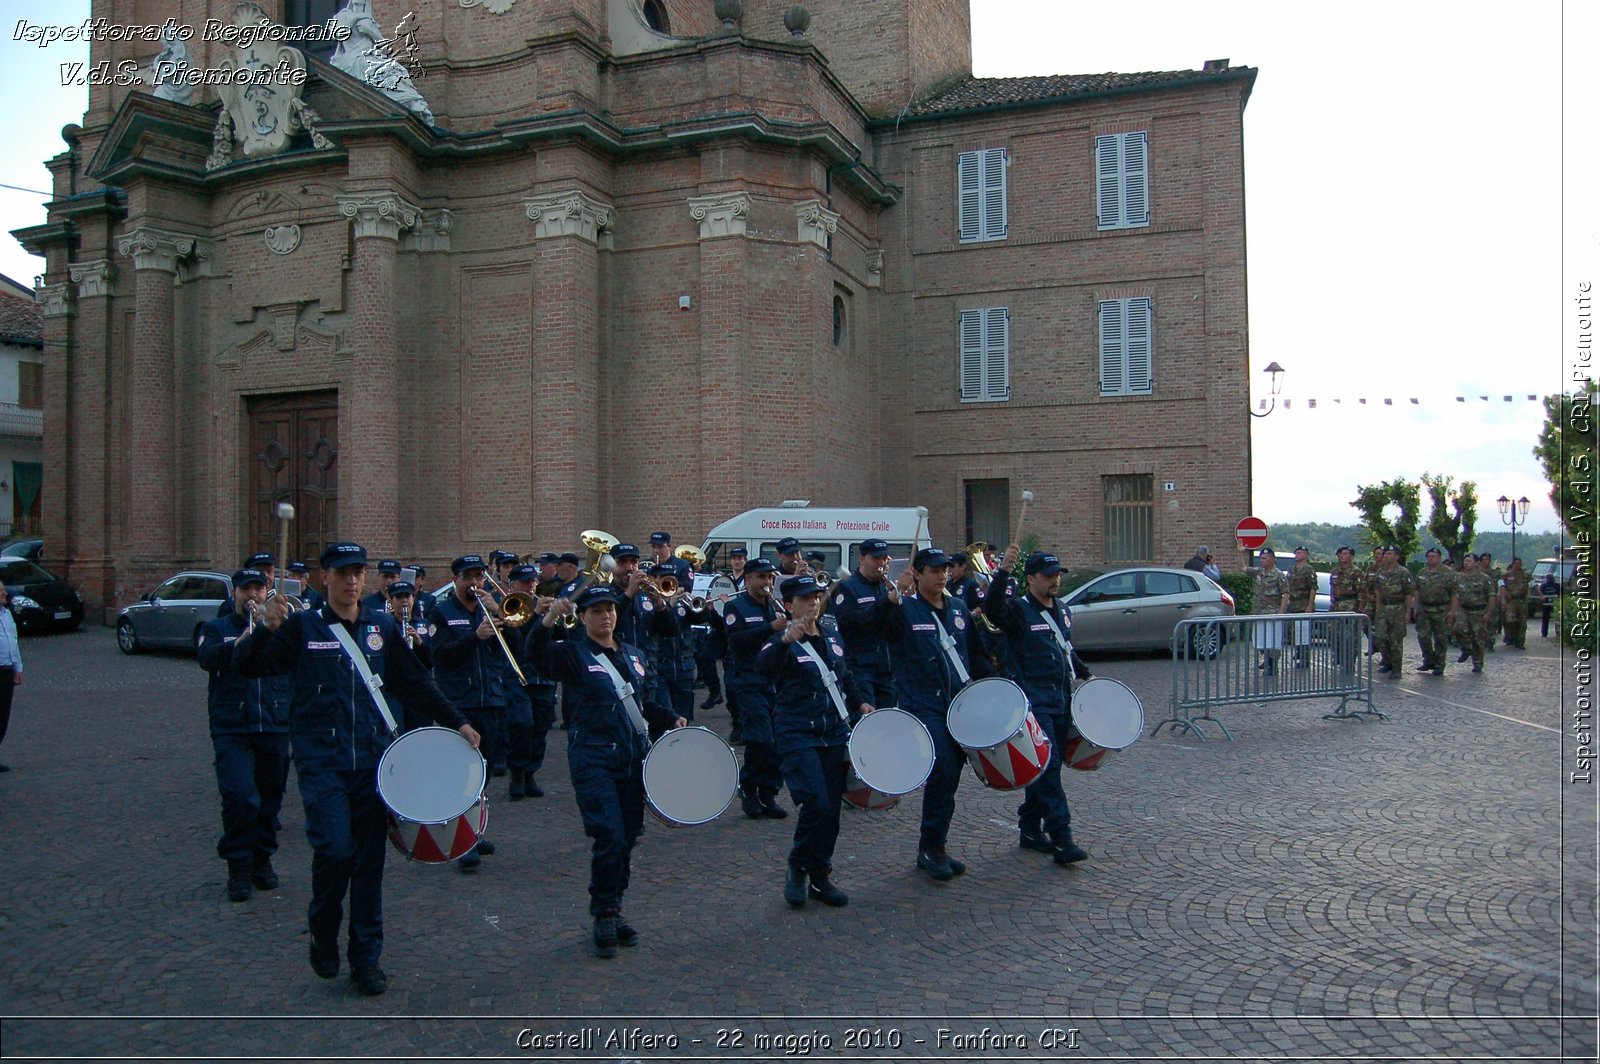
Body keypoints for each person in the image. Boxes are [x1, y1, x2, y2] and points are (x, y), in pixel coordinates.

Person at [234, 542, 480, 997]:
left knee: (368, 864)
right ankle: (322, 928)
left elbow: (415, 683)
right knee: (335, 851)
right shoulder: (300, 627)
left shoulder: (381, 625)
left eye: (357, 573)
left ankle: (366, 958)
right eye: (342, 572)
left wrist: (457, 720)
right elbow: (248, 667)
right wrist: (265, 631)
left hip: (373, 763)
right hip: (321, 763)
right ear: (323, 577)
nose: (351, 581)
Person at [527, 586, 685, 957]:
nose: (605, 617)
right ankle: (602, 912)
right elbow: (534, 655)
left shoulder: (633, 655)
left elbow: (644, 704)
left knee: (628, 836)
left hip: (632, 760)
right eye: (596, 611)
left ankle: (614, 907)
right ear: (583, 617)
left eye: (610, 610)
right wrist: (546, 620)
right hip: (593, 758)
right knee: (610, 835)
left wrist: (671, 717)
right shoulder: (572, 654)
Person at [757, 575, 874, 908]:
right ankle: (798, 866)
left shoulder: (831, 634)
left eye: (816, 597)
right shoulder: (782, 640)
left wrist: (860, 702)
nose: (813, 603)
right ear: (790, 605)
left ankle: (820, 874)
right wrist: (783, 641)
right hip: (797, 732)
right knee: (816, 803)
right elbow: (763, 667)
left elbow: (844, 674)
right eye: (805, 598)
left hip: (833, 732)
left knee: (832, 811)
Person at [985, 548, 1094, 865]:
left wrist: (1086, 673)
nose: (1055, 580)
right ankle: (1062, 838)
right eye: (1048, 575)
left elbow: (1066, 649)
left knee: (1043, 767)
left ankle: (1030, 830)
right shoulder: (1018, 611)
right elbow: (992, 609)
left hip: (1060, 699)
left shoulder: (1061, 610)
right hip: (1033, 704)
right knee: (1049, 768)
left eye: (1058, 574)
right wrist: (1002, 571)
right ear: (1031, 579)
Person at [197, 569, 292, 901]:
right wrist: (234, 649)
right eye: (245, 589)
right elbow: (206, 658)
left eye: (258, 588)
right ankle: (238, 865)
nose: (252, 595)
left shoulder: (280, 630)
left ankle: (262, 860)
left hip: (273, 723)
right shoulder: (216, 628)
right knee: (240, 798)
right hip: (233, 725)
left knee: (270, 799)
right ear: (234, 593)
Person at [884, 548, 973, 881]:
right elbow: (880, 628)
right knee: (944, 769)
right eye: (934, 570)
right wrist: (893, 597)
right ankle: (931, 848)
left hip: (958, 704)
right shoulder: (904, 610)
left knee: (950, 779)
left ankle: (936, 846)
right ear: (917, 573)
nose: (942, 575)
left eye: (945, 570)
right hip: (923, 704)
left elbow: (974, 653)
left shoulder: (959, 609)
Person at [427, 554, 517, 873]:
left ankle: (475, 833)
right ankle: (463, 841)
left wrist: (499, 615)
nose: (475, 583)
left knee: (487, 770)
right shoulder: (440, 612)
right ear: (456, 580)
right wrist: (475, 637)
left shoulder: (488, 607)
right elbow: (441, 657)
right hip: (459, 703)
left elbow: (513, 648)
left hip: (490, 698)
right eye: (468, 577)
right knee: (464, 775)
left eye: (479, 576)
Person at [722, 559, 789, 817]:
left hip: (775, 682)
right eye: (761, 578)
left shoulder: (776, 608)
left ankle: (769, 793)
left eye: (770, 578)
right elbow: (737, 641)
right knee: (760, 739)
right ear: (748, 579)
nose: (767, 583)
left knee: (778, 742)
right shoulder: (735, 606)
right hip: (749, 681)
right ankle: (749, 787)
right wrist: (769, 628)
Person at [829, 538, 899, 707]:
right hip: (860, 668)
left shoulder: (886, 586)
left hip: (886, 668)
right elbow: (851, 623)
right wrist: (886, 603)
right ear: (862, 559)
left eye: (884, 559)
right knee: (867, 720)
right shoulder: (847, 587)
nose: (881, 564)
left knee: (888, 720)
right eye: (876, 559)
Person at [1412, 548, 1458, 675]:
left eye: (1434, 556)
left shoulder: (1448, 573)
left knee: (1441, 638)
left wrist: (1452, 612)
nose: (1431, 558)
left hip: (1441, 609)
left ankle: (1439, 664)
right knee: (1423, 636)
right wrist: (1415, 607)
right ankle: (1428, 660)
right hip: (1424, 609)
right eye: (1429, 556)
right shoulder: (1422, 572)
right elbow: (1416, 590)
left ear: (1439, 558)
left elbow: (1455, 593)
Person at [1371, 546, 1415, 675]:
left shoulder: (1403, 572)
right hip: (1383, 607)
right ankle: (1387, 661)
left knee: (1396, 640)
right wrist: (1378, 607)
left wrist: (1407, 612)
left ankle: (1396, 668)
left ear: (1396, 556)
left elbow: (1408, 594)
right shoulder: (1381, 572)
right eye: (1385, 554)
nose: (1386, 556)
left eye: (1390, 554)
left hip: (1398, 608)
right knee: (1379, 637)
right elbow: (1378, 590)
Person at [1452, 554, 1494, 673]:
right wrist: (1453, 611)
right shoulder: (1459, 578)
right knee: (1457, 629)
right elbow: (1455, 596)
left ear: (1476, 563)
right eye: (1465, 561)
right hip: (1463, 609)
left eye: (1469, 561)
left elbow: (1491, 596)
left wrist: (1489, 613)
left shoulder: (1484, 579)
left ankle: (1478, 662)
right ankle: (1466, 649)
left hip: (1479, 611)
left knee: (1478, 638)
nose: (1466, 563)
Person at [1251, 548, 1289, 672]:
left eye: (1264, 558)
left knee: (1273, 640)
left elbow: (1285, 593)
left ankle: (1273, 665)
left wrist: (1281, 612)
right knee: (1261, 639)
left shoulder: (1278, 575)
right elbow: (1243, 568)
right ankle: (1266, 660)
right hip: (1259, 612)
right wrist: (1241, 552)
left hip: (1273, 612)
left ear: (1272, 559)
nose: (1262, 561)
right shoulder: (1260, 572)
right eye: (1261, 558)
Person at [1285, 546, 1317, 668]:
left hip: (1303, 605)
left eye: (1299, 553)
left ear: (1306, 555)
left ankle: (1304, 658)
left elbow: (1313, 588)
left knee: (1303, 634)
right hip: (1292, 604)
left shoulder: (1309, 570)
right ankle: (1298, 651)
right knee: (1291, 632)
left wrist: (1310, 605)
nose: (1296, 555)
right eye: (1296, 552)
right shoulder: (1291, 569)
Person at [0, 583, 19, 772]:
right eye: (1, 591)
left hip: (7, 671)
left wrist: (17, 667)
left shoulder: (6, 614)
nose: (5, 593)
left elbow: (12, 641)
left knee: (3, 715)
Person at [1501, 557, 1530, 649]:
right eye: (1515, 563)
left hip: (1522, 600)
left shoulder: (1525, 575)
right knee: (1510, 620)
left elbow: (1531, 585)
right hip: (1511, 601)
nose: (1517, 565)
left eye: (1519, 563)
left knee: (1522, 622)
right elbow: (1502, 586)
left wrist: (1528, 595)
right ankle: (1511, 636)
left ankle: (1520, 642)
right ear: (1512, 564)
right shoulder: (1506, 575)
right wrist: (1505, 596)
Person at [1540, 571, 1561, 639]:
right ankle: (1558, 633)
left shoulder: (1543, 586)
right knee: (1557, 619)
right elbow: (1560, 595)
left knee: (1545, 619)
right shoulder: (1557, 585)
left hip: (1546, 604)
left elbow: (1541, 596)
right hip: (1555, 604)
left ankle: (1544, 634)